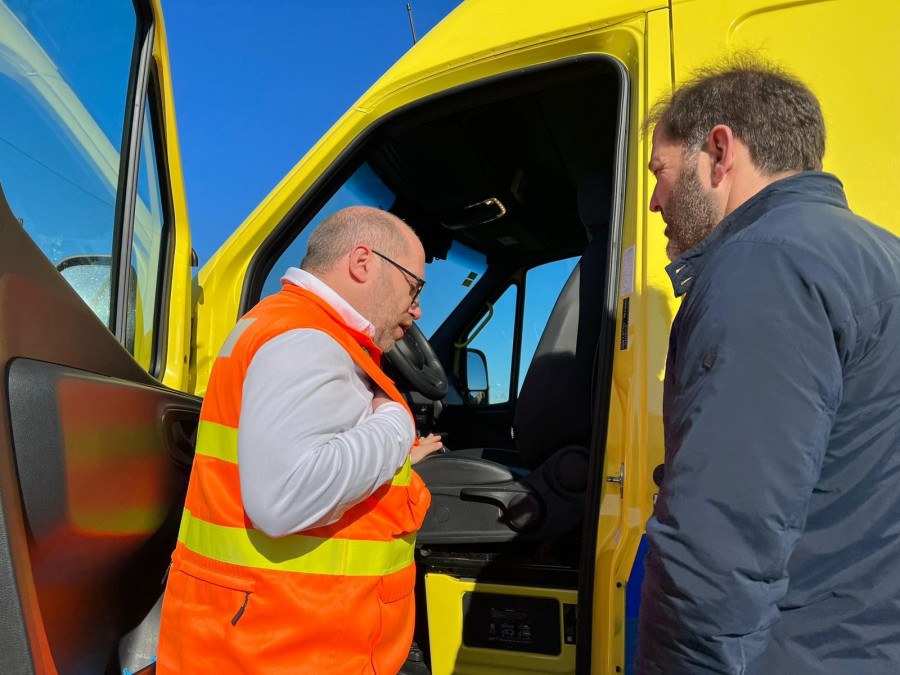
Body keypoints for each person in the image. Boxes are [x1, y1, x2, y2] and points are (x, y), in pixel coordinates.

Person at [636, 57, 900, 673]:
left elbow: (717, 549)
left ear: (720, 153)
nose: (653, 200)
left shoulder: (763, 268)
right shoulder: (880, 255)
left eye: (661, 171)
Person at [157, 206, 444, 674]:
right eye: (415, 287)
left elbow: (308, 446)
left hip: (269, 636)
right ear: (363, 262)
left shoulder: (296, 326)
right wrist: (394, 424)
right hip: (284, 648)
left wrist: (401, 454)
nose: (416, 308)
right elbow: (287, 497)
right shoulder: (307, 339)